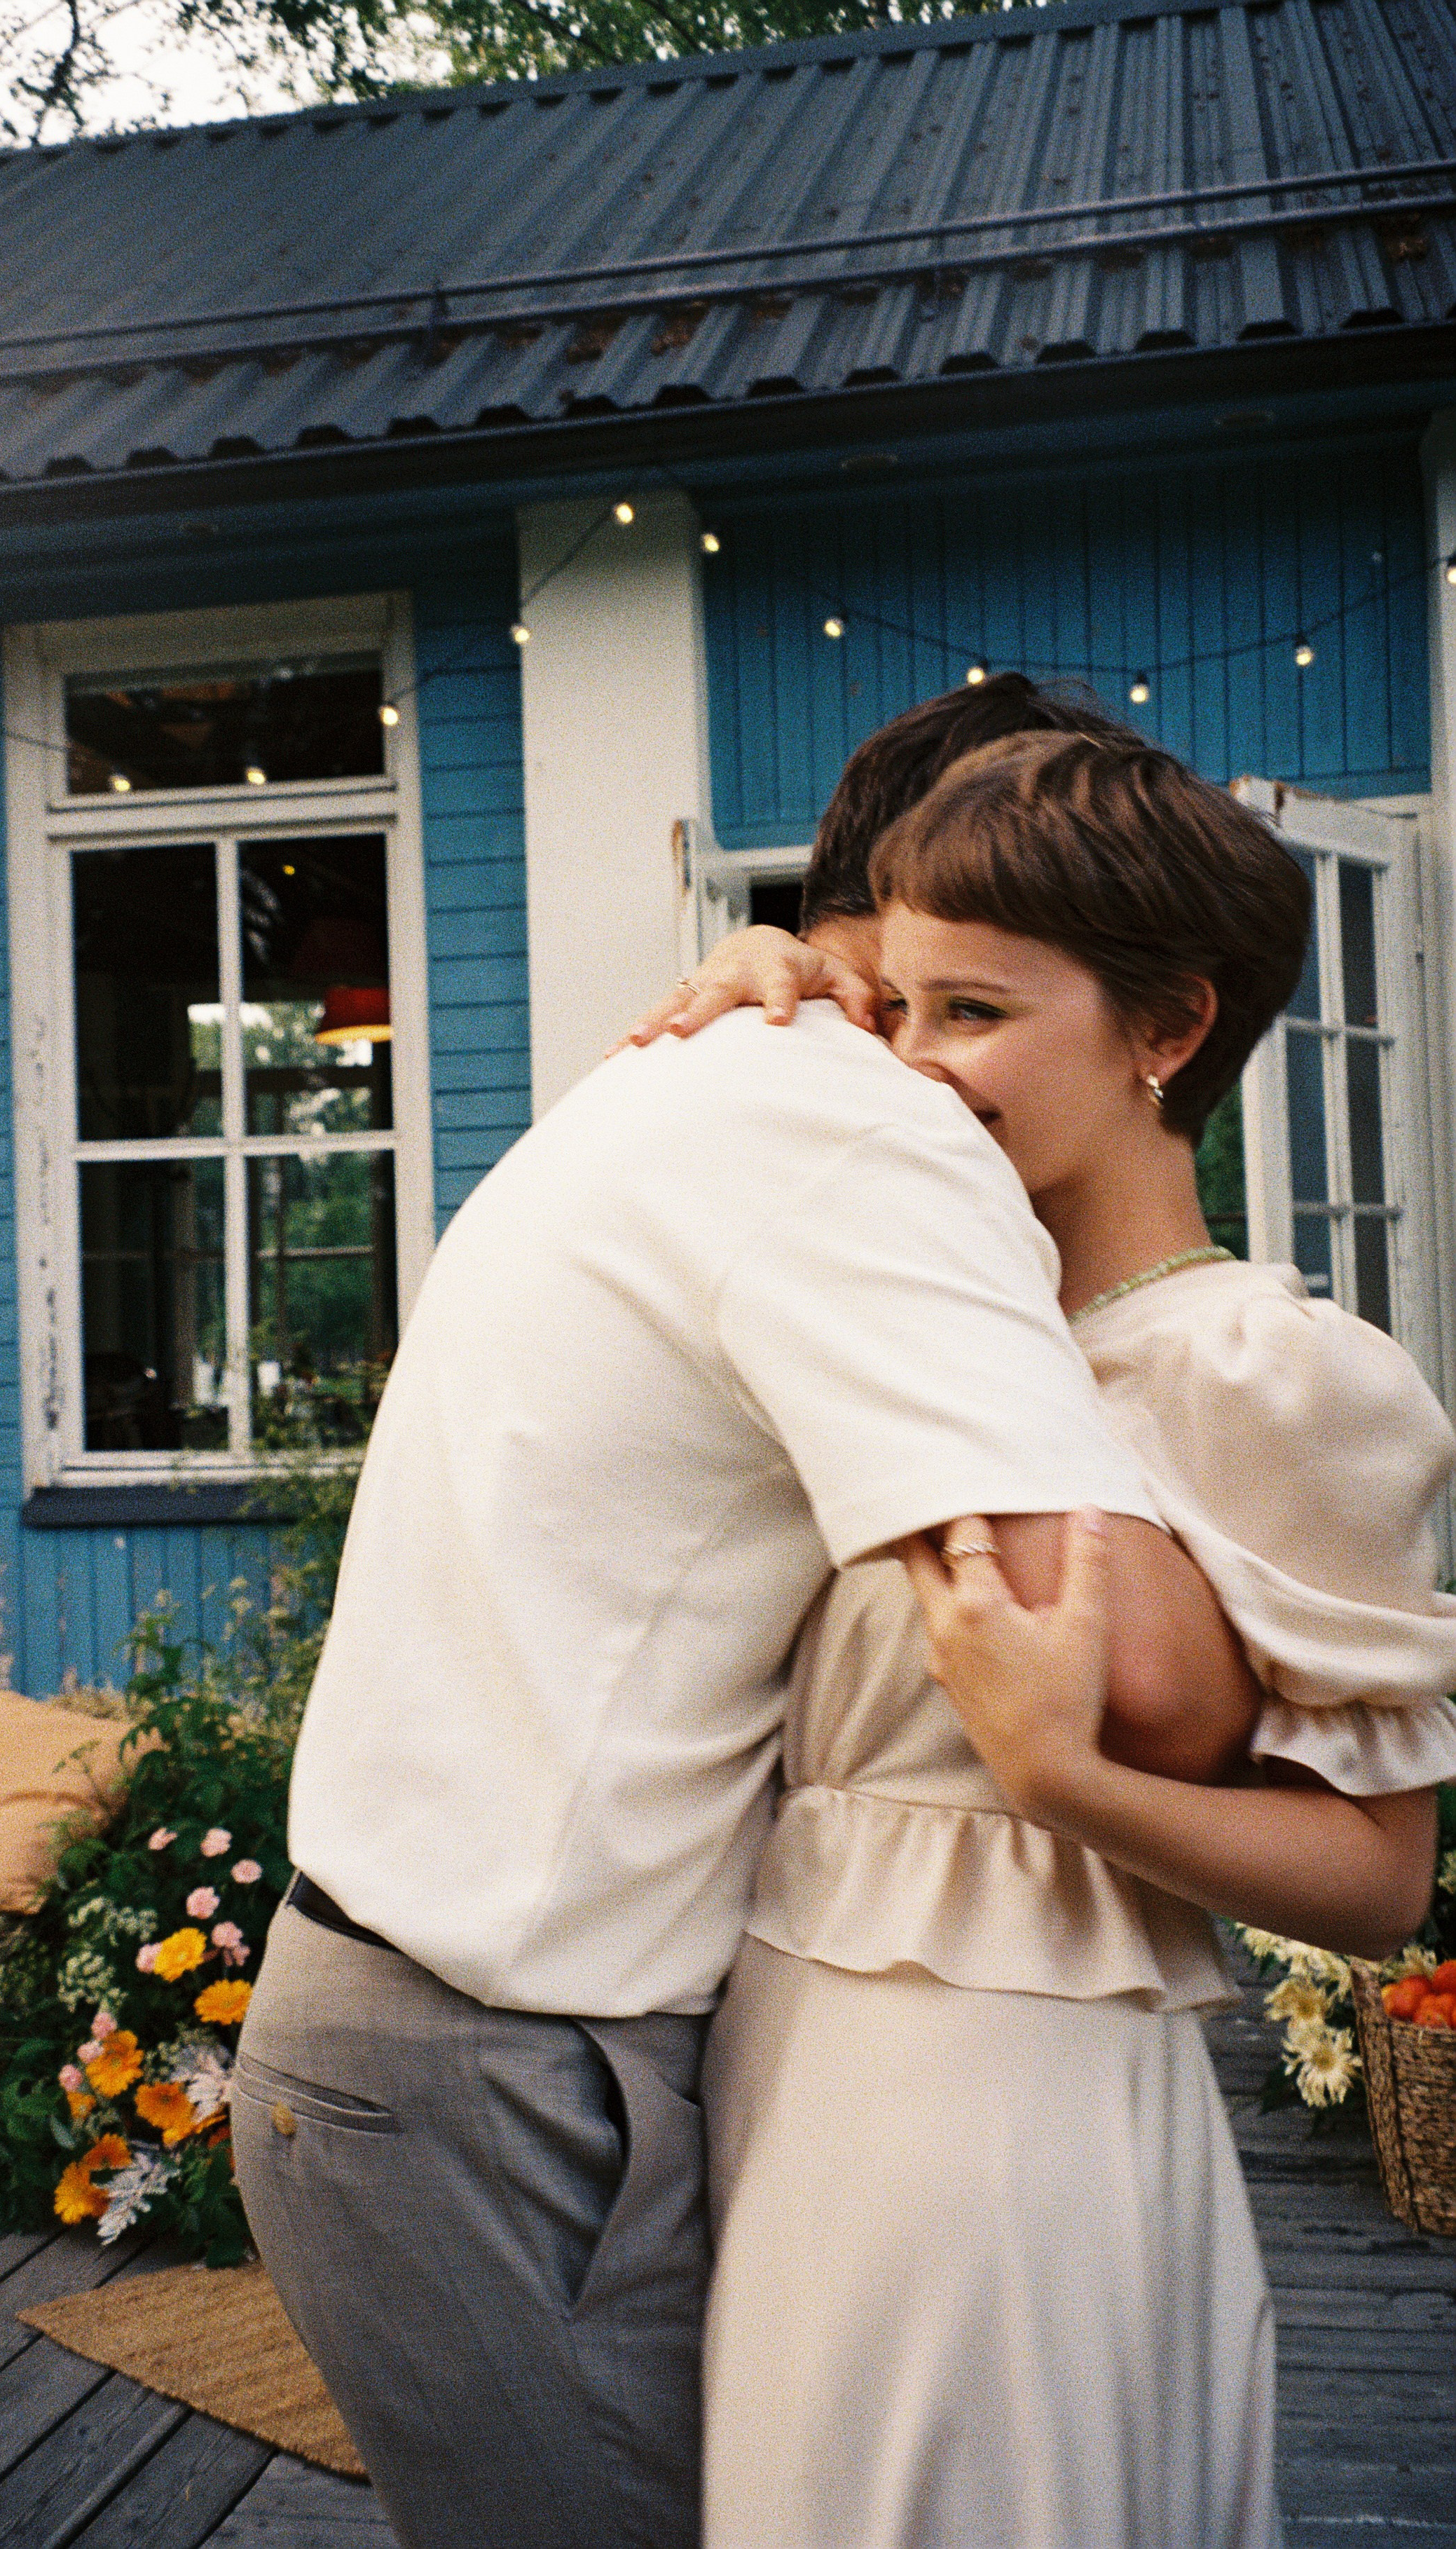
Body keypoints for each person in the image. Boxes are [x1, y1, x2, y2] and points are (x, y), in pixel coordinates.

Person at [227, 690, 1268, 2548]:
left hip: (449, 2031)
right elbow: (1149, 1691)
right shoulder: (864, 1134)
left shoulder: (707, 1069)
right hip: (502, 2065)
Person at [639, 728, 1456, 2548]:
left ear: (1166, 1030)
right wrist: (770, 1003)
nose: (916, 1067)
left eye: (973, 1014)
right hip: (777, 2056)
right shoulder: (912, 1316)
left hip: (1002, 2106)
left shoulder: (1271, 1373)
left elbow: (1374, 1881)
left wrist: (1059, 1776)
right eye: (898, 1007)